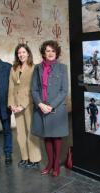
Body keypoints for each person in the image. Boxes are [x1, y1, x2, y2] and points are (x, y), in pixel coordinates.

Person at [31, 40, 69, 177]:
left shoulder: (62, 68)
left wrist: (50, 106)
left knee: (56, 137)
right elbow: (34, 89)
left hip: (56, 108)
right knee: (46, 137)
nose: (50, 53)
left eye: (53, 51)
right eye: (47, 51)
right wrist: (40, 104)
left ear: (56, 52)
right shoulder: (37, 68)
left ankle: (56, 165)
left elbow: (64, 91)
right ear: (43, 53)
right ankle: (49, 163)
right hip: (41, 107)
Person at [8, 43, 41, 169]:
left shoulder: (34, 68)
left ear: (28, 53)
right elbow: (11, 87)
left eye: (23, 52)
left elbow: (34, 89)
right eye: (19, 53)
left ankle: (35, 159)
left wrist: (23, 105)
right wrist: (11, 105)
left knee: (31, 133)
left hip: (29, 104)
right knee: (20, 134)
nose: (21, 55)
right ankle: (25, 158)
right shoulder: (13, 68)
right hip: (16, 105)